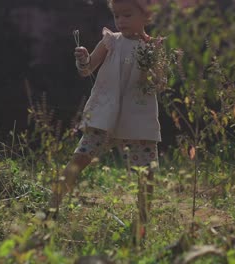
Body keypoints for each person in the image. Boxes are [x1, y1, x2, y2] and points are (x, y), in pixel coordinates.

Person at [49, 0, 161, 226]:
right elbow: (87, 69)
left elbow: (158, 84)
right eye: (117, 16)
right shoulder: (111, 41)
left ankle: (143, 223)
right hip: (104, 115)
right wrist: (82, 59)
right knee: (80, 158)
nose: (120, 21)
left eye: (127, 15)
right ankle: (51, 208)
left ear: (147, 15)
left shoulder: (153, 48)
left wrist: (155, 69)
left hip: (137, 116)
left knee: (146, 172)